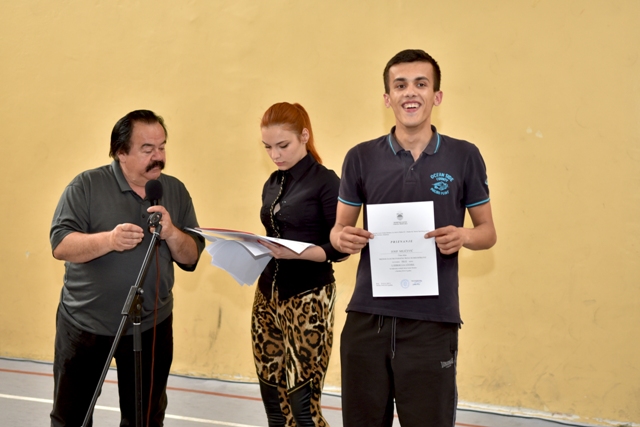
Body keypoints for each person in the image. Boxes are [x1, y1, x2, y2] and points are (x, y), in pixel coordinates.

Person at [330, 49, 497, 427]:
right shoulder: (360, 157)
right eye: (400, 85)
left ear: (437, 96)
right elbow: (339, 228)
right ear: (387, 97)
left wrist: (463, 236)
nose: (410, 92)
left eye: (421, 84)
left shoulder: (464, 156)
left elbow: (487, 232)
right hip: (367, 319)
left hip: (431, 321)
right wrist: (343, 239)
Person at [49, 109, 205, 427]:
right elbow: (61, 244)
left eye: (162, 147)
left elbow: (191, 257)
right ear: (121, 152)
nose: (158, 156)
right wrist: (109, 240)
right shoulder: (86, 186)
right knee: (71, 418)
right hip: (86, 325)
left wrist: (173, 233)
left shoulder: (174, 190)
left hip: (151, 326)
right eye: (147, 149)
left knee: (146, 419)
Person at [252, 102, 347, 427]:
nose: (275, 155)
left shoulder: (327, 182)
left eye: (283, 145)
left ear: (304, 136)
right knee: (274, 405)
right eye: (268, 147)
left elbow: (341, 249)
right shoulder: (272, 183)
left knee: (303, 410)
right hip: (267, 296)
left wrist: (299, 253)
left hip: (309, 298)